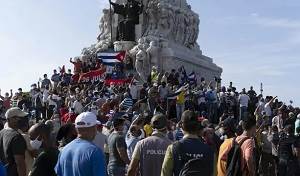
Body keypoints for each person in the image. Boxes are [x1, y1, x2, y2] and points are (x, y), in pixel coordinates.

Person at [161, 110, 214, 176]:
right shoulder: (209, 149)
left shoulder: (173, 148)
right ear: (197, 126)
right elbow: (213, 173)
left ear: (181, 126)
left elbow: (165, 173)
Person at [0, 107, 27, 176]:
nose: (22, 119)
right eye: (20, 117)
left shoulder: (1, 132)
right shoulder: (16, 137)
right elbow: (20, 164)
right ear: (10, 119)